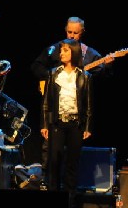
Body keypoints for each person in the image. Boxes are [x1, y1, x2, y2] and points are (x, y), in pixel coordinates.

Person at [31, 16, 113, 171]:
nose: (72, 36)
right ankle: (47, 179)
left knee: (72, 156)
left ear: (82, 33)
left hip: (76, 111)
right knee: (50, 148)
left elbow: (102, 76)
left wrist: (107, 66)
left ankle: (70, 189)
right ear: (65, 30)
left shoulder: (89, 54)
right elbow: (36, 65)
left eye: (76, 33)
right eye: (69, 32)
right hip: (56, 107)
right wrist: (50, 77)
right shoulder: (56, 49)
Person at [40, 38, 93, 208]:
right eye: (61, 50)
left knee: (72, 165)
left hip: (75, 124)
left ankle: (70, 201)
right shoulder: (54, 73)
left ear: (74, 53)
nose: (61, 53)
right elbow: (46, 102)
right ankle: (53, 200)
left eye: (65, 50)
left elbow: (89, 104)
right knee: (54, 162)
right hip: (57, 123)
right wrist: (45, 125)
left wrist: (87, 127)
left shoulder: (85, 76)